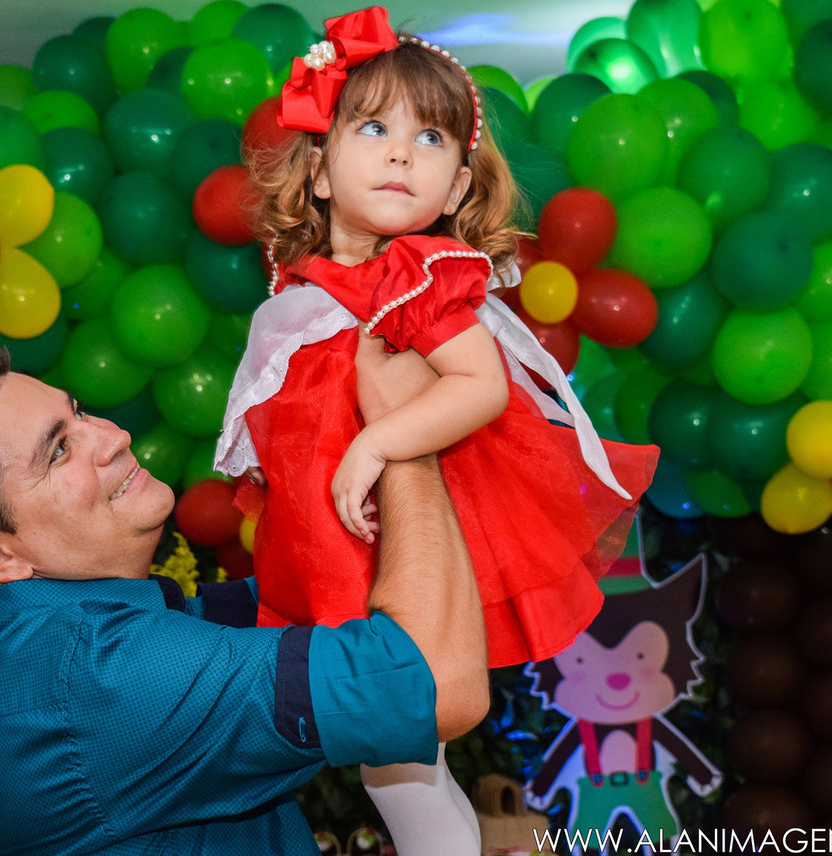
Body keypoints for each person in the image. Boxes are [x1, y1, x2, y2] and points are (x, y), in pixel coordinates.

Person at [213, 7, 660, 854]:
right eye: (374, 127)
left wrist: (378, 443)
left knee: (398, 750)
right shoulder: (305, 289)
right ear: (316, 168)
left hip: (392, 541)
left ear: (456, 188)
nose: (398, 153)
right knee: (403, 762)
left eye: (430, 141)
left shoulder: (421, 272)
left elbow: (480, 385)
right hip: (337, 535)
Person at [0, 343, 489, 856]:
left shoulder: (87, 627)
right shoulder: (101, 674)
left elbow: (318, 600)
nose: (112, 435)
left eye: (79, 412)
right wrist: (406, 438)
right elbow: (439, 682)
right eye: (58, 450)